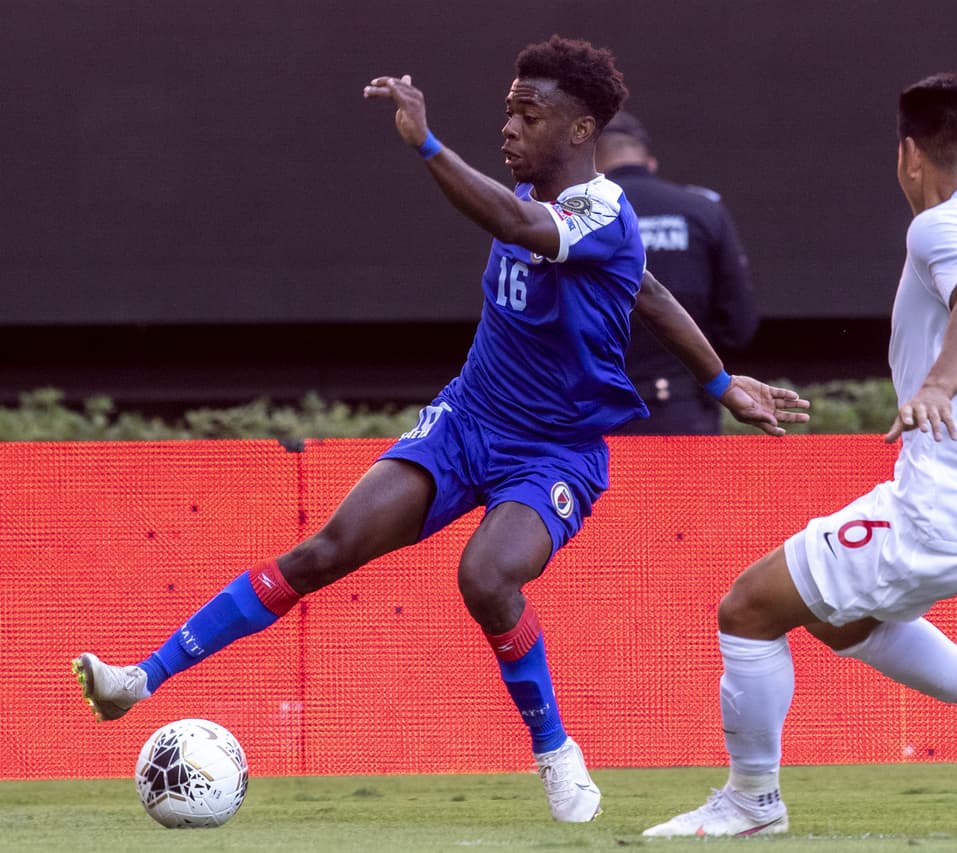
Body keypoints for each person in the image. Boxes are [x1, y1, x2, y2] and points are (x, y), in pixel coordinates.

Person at [72, 35, 809, 824]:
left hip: (554, 451)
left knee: (486, 577)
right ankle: (137, 681)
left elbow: (526, 228)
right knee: (322, 550)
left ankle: (556, 751)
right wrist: (725, 381)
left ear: (582, 129)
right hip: (466, 420)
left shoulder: (596, 210)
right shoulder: (547, 202)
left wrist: (425, 141)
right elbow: (651, 291)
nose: (510, 129)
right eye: (506, 112)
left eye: (530, 115)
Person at [644, 73, 957, 838]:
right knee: (839, 621)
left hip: (942, 509)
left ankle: (751, 802)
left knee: (746, 610)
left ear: (907, 155)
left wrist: (937, 385)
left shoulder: (939, 226)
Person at [595, 112, 758, 435]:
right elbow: (740, 326)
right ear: (650, 163)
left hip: (597, 419)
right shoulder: (703, 211)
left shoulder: (571, 220)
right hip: (686, 416)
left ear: (594, 168)